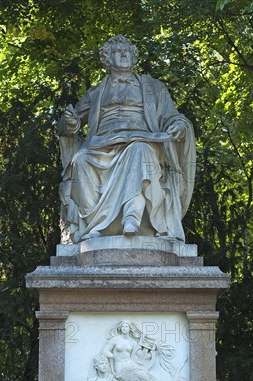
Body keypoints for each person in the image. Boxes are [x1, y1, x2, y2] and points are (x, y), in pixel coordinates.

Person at [58, 35, 196, 243]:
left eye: (127, 51)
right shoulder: (95, 92)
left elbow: (172, 116)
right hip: (101, 143)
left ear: (134, 57)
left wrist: (178, 125)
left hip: (143, 139)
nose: (124, 55)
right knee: (81, 160)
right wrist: (69, 123)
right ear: (107, 59)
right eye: (117, 52)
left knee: (139, 151)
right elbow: (72, 123)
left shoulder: (154, 87)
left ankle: (131, 217)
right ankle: (95, 226)